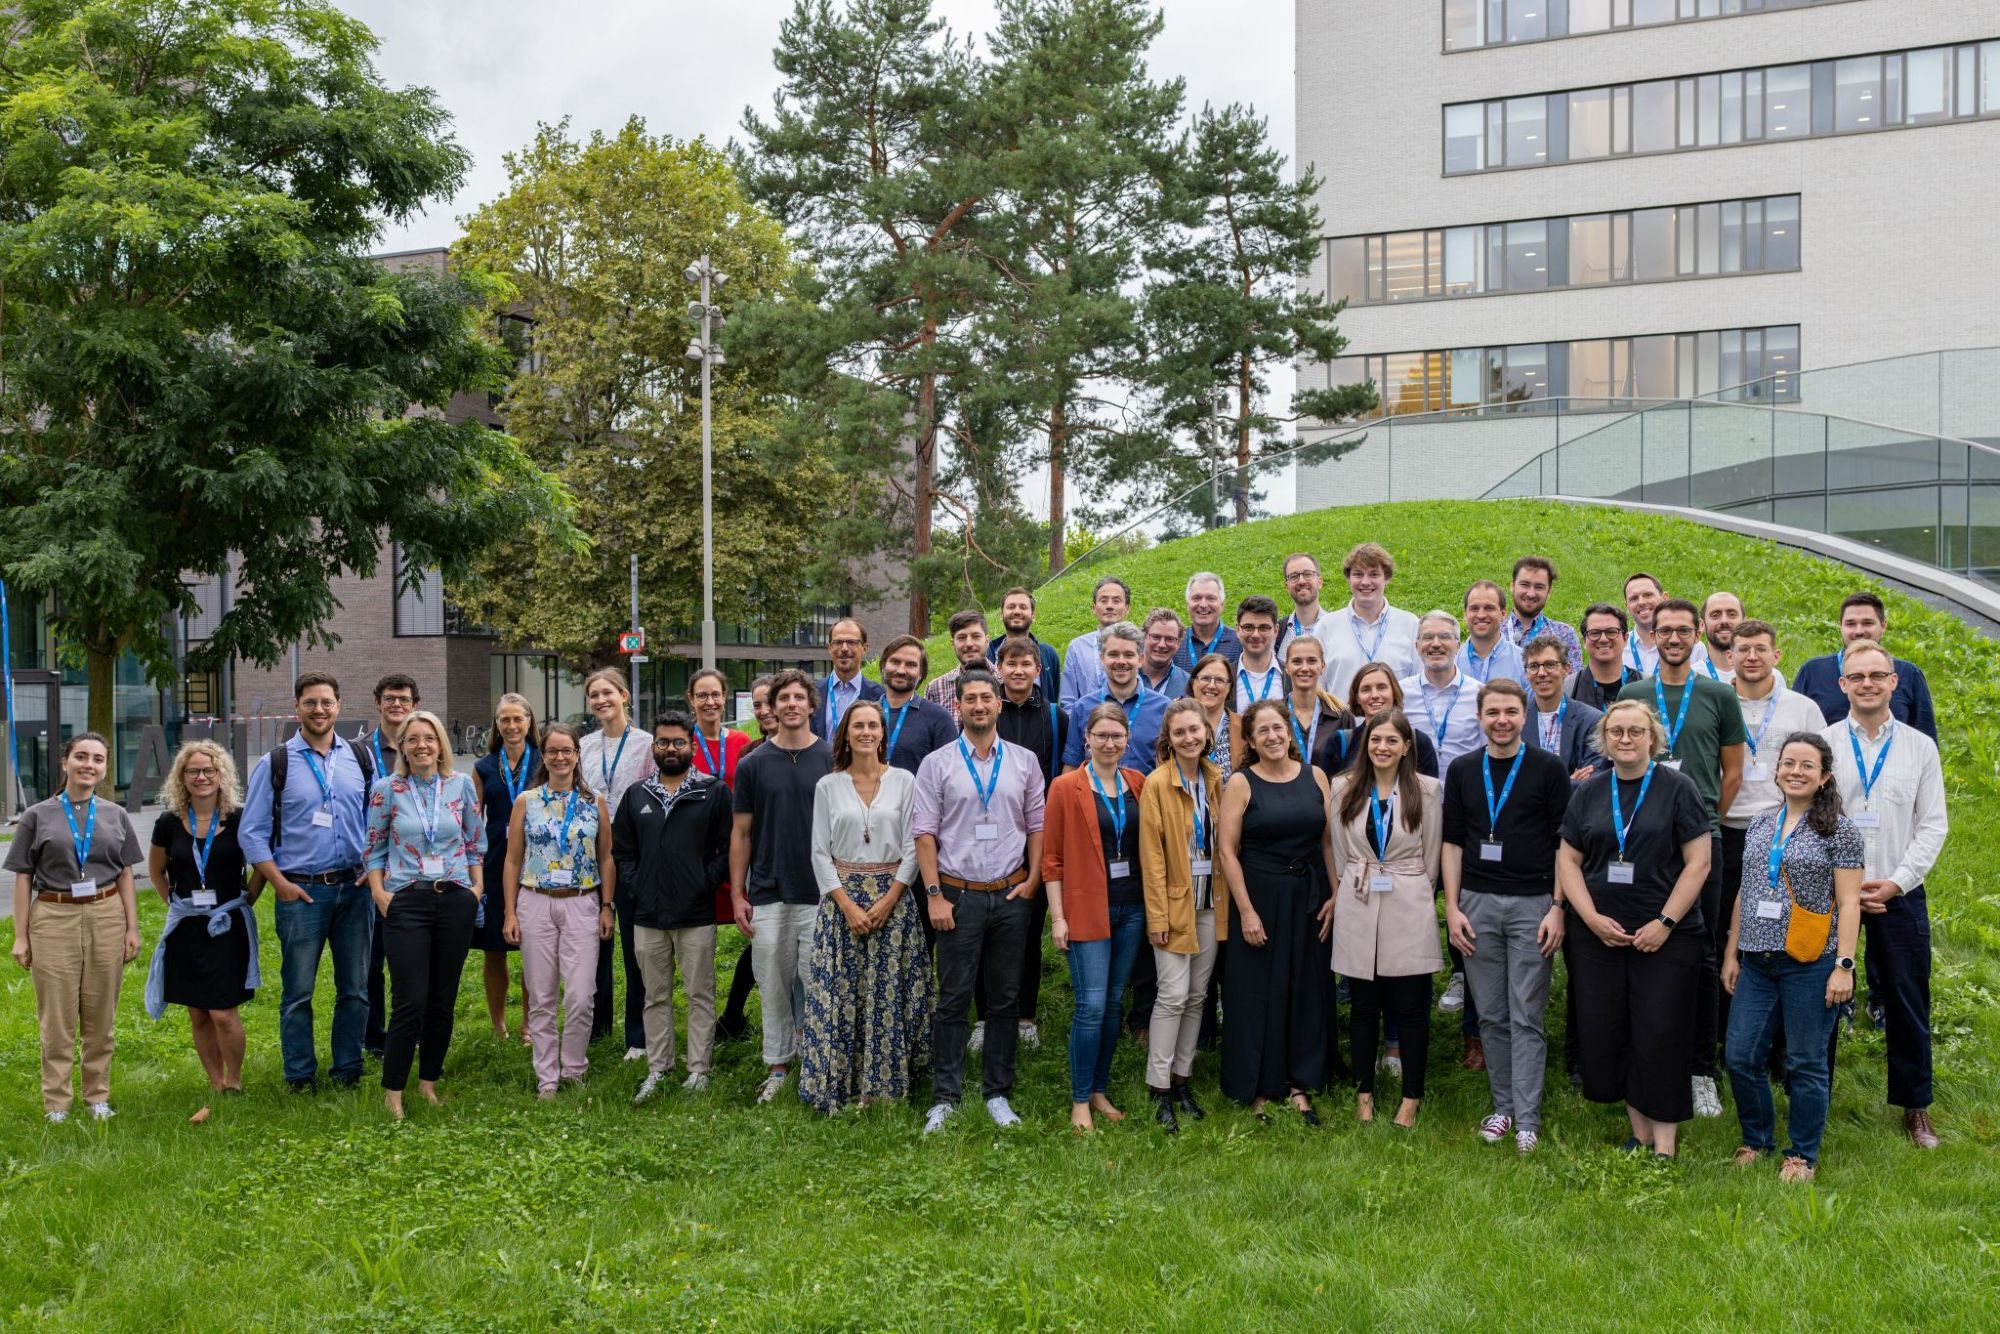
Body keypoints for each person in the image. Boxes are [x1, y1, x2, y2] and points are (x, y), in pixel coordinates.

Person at [1558, 699, 1712, 1157]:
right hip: (1599, 936)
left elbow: (1699, 862)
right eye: (1617, 731)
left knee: (1659, 1032)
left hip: (1665, 937)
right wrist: (1588, 918)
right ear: (1604, 739)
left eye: (1635, 731)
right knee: (1610, 1031)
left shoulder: (1678, 787)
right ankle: (1638, 1132)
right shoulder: (1588, 791)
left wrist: (1664, 922)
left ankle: (1664, 1144)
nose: (1626, 739)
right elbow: (1568, 859)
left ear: (1653, 739)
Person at [1619, 597, 1747, 1119]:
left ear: (1698, 633)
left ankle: (1700, 1071)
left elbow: (1732, 773)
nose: (1672, 638)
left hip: (1701, 842)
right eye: (1663, 629)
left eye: (1681, 630)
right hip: (1644, 843)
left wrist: (1699, 820)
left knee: (1701, 955)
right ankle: (1641, 1062)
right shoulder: (1634, 693)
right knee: (1638, 947)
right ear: (1651, 630)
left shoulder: (1719, 693)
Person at [1822, 640, 1949, 1148]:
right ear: (1843, 685)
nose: (1868, 683)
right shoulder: (1826, 743)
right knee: (1823, 996)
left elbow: (1933, 825)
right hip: (1834, 894)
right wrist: (1843, 884)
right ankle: (1818, 1094)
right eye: (1858, 676)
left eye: (1878, 675)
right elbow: (1817, 820)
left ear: (1895, 682)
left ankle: (1914, 1106)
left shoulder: (1921, 747)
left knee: (1907, 998)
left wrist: (1897, 880)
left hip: (1899, 890)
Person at [1722, 732, 1863, 1182]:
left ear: (1824, 777)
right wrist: (1731, 953)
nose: (1795, 772)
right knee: (1740, 1056)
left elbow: (1850, 903)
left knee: (1805, 1062)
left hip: (1812, 962)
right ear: (1778, 770)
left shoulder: (1840, 830)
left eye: (1807, 765)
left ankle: (1801, 1154)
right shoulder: (1762, 824)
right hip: (1758, 962)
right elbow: (1746, 891)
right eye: (1788, 763)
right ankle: (1756, 1138)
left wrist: (1844, 966)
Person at [913, 669, 1047, 1133]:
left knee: (1004, 1001)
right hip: (957, 895)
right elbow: (925, 835)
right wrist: (934, 896)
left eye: (986, 698)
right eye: (970, 699)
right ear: (959, 707)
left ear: (998, 705)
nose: (979, 706)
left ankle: (997, 1092)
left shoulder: (1026, 761)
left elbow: (1037, 826)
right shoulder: (938, 764)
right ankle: (945, 1097)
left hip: (1010, 894)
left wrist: (1031, 882)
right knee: (953, 999)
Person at [1441, 681, 1571, 1152]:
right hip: (1475, 903)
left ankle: (1529, 1118)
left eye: (1511, 712)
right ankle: (1503, 1108)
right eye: (1492, 711)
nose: (1501, 720)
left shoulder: (1548, 768)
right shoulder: (1461, 770)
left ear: (1524, 715)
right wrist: (1452, 908)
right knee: (1492, 1015)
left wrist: (1558, 908)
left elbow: (1564, 846)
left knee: (1526, 1012)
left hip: (1533, 905)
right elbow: (1452, 842)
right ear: (1479, 717)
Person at [239, 671, 376, 1092]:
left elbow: (374, 824)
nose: (319, 710)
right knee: (298, 991)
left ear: (339, 706)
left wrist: (372, 873)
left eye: (327, 702)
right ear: (296, 707)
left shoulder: (361, 758)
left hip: (354, 890)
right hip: (301, 892)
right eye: (311, 702)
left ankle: (348, 1068)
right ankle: (300, 1074)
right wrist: (279, 884)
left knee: (355, 988)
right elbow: (252, 832)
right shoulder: (276, 762)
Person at [802, 700, 931, 1113]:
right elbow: (819, 852)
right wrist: (846, 905)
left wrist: (891, 898)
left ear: (882, 732)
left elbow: (914, 846)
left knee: (887, 992)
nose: (866, 732)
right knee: (843, 992)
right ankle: (839, 1082)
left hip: (893, 900)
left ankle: (883, 1086)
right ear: (846, 733)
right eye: (858, 725)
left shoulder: (905, 781)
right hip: (843, 902)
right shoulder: (828, 786)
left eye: (873, 725)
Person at [9, 733, 143, 1123]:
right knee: (57, 1014)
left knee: (101, 1011)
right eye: (81, 756)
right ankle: (56, 1102)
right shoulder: (38, 815)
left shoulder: (115, 815)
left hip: (106, 913)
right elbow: (22, 877)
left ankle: (97, 1096)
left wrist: (131, 928)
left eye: (98, 759)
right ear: (65, 762)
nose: (89, 764)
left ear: (105, 767)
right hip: (54, 915)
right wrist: (21, 935)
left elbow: (125, 874)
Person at [363, 710, 486, 1119]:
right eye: (413, 739)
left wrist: (476, 889)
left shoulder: (461, 786)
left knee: (442, 999)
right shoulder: (387, 789)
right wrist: (381, 894)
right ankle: (393, 1091)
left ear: (440, 745)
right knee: (409, 1001)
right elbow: (374, 848)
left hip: (454, 900)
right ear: (402, 746)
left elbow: (473, 843)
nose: (422, 746)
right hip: (407, 901)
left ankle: (428, 1082)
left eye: (429, 738)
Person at [1216, 698, 1335, 1122]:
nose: (1272, 736)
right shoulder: (1242, 784)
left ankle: (1301, 1083)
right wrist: (1245, 911)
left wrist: (1335, 895)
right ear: (1249, 739)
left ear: (1290, 731)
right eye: (1261, 730)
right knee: (1257, 992)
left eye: (1278, 727)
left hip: (1309, 895)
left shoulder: (1316, 776)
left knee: (1306, 987)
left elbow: (1327, 842)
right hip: (1260, 897)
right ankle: (1261, 1087)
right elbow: (1228, 852)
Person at [1330, 709, 1442, 1128]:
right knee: (1362, 1006)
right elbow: (1341, 853)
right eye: (1376, 739)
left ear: (1406, 747)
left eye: (1392, 740)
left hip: (1408, 899)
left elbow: (1430, 858)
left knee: (1411, 1007)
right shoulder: (1343, 788)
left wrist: (1412, 889)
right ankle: (1364, 1094)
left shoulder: (1428, 791)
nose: (1382, 747)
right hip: (1358, 899)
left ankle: (1411, 1095)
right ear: (1366, 743)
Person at [1718, 620, 1827, 1046]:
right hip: (1728, 830)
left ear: (1776, 656)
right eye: (1742, 649)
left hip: (1787, 835)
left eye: (1760, 649)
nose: (1751, 657)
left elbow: (1819, 769)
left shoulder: (1802, 708)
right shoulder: (1716, 699)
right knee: (1729, 933)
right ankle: (1729, 1036)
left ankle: (1781, 1041)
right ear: (1729, 657)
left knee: (1784, 936)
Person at [1044, 703, 1150, 1132]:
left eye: (1117, 736)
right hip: (1087, 908)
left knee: (1110, 1004)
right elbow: (1052, 859)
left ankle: (1101, 1089)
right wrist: (1057, 918)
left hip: (1132, 909)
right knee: (1089, 1006)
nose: (1109, 743)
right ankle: (1080, 1099)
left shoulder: (1138, 783)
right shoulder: (1065, 787)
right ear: (1086, 738)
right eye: (1101, 735)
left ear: (1127, 740)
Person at [731, 670, 835, 1104]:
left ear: (812, 706)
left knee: (817, 982)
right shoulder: (752, 764)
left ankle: (817, 1062)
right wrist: (738, 894)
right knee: (772, 981)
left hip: (821, 892)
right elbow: (741, 833)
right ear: (771, 708)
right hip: (769, 891)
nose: (791, 704)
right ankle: (777, 1065)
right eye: (783, 698)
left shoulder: (832, 758)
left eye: (799, 697)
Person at [618, 711, 732, 1105]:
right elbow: (623, 852)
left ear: (692, 745)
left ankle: (699, 1069)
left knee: (700, 993)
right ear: (654, 747)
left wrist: (703, 882)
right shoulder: (637, 795)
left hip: (696, 912)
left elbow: (727, 848)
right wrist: (638, 887)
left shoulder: (712, 791)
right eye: (663, 742)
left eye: (678, 742)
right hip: (648, 913)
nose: (670, 749)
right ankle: (659, 1067)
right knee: (655, 994)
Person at [144, 740, 260, 1124]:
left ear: (221, 774)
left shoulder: (240, 819)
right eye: (193, 771)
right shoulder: (168, 823)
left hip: (227, 925)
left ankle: (235, 1079)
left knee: (223, 1012)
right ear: (182, 777)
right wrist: (174, 906)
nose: (201, 777)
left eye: (208, 770)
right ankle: (214, 1082)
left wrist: (248, 900)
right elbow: (157, 872)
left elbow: (261, 865)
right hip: (187, 928)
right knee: (198, 1013)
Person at [503, 721, 613, 1099]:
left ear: (577, 755)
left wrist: (607, 906)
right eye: (553, 751)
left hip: (581, 901)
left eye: (567, 750)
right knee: (541, 994)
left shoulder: (594, 801)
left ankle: (575, 1067)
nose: (560, 757)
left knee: (581, 994)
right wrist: (510, 913)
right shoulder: (526, 801)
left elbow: (606, 857)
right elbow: (513, 861)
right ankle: (547, 1076)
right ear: (544, 757)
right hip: (535, 903)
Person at [1139, 698, 1227, 1133]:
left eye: (1195, 730)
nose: (1189, 738)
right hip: (1174, 904)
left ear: (1206, 733)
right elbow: (1152, 857)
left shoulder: (1215, 779)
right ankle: (1158, 1086)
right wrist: (1157, 916)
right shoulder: (1157, 784)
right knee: (1171, 995)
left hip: (1211, 901)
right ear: (1169, 740)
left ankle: (1182, 1080)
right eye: (1180, 733)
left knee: (1197, 996)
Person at [1400, 610, 1485, 1040]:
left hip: (1464, 814)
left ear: (1458, 643)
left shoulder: (1478, 694)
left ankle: (1462, 973)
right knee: (1415, 895)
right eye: (1427, 638)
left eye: (1445, 638)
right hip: (1413, 816)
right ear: (1417, 646)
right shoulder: (1400, 694)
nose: (1435, 644)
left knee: (1463, 898)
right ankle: (1410, 970)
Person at [582, 667, 658, 1059]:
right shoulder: (585, 746)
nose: (601, 700)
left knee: (632, 946)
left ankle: (637, 1035)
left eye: (607, 693)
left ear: (624, 696)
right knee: (594, 944)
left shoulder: (646, 745)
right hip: (589, 856)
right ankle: (596, 1028)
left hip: (630, 854)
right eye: (594, 695)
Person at [471, 693, 536, 1041]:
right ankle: (498, 1025)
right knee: (495, 947)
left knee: (532, 948)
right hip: (495, 860)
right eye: (504, 720)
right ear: (496, 724)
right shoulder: (484, 766)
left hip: (536, 861)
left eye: (517, 719)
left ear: (529, 722)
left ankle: (529, 1023)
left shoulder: (543, 761)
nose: (511, 726)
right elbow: (473, 817)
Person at [360, 673, 418, 1059]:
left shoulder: (424, 747)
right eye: (389, 698)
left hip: (413, 873)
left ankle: (408, 1031)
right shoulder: (357, 752)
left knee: (408, 959)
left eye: (404, 699)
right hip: (372, 872)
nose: (396, 704)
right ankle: (374, 1038)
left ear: (415, 704)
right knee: (370, 960)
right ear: (377, 702)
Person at [1791, 592, 1939, 740]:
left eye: (1867, 623)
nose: (1859, 631)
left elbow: (1925, 738)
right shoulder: (1812, 672)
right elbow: (1793, 732)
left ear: (1883, 625)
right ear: (1840, 626)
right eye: (1851, 624)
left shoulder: (1909, 674)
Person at [716, 674, 773, 1044]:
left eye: (770, 701)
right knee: (764, 938)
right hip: (760, 859)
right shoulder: (750, 752)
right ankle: (733, 1015)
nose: (765, 710)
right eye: (757, 705)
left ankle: (734, 1015)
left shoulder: (816, 748)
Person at [1060, 621, 1169, 774]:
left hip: (1147, 795)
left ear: (1141, 659)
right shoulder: (1083, 707)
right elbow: (1072, 764)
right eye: (1113, 654)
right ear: (1102, 658)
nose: (1121, 661)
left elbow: (1170, 768)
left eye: (1129, 655)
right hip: (1095, 796)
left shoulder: (1164, 708)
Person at [1323, 541, 1421, 692]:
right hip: (1342, 716)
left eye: (1374, 574)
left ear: (1386, 578)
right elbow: (1317, 686)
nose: (1365, 582)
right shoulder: (1327, 626)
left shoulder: (1411, 625)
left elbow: (1419, 682)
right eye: (1358, 574)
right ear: (1349, 578)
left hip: (1395, 716)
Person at [1330, 662, 1440, 779]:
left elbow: (1430, 793)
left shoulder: (1419, 743)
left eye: (1382, 687)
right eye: (1366, 689)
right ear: (1357, 697)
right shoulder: (1340, 742)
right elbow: (1328, 794)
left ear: (1394, 692)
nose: (1375, 695)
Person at [1522, 635, 1604, 782]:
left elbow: (1592, 781)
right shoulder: (1516, 721)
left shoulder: (1592, 721)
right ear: (1527, 674)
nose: (1541, 673)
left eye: (1549, 664)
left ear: (1566, 669)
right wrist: (1569, 782)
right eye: (1533, 666)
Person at [877, 635, 960, 773]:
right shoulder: (862, 714)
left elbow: (951, 773)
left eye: (911, 665)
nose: (901, 670)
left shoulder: (938, 718)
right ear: (883, 666)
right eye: (895, 662)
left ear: (921, 673)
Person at [1281, 634, 1355, 778]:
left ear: (1322, 666)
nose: (1304, 668)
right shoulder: (1274, 715)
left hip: (1329, 798)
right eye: (1296, 661)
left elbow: (1352, 770)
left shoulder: (1342, 717)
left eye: (1312, 661)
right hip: (1283, 798)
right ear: (1287, 668)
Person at [996, 634, 1065, 785]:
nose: (1018, 671)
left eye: (1026, 664)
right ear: (999, 668)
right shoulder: (988, 713)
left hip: (1043, 804)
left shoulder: (1056, 716)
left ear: (1038, 670)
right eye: (1012, 664)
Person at [1622, 573, 1713, 679]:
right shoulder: (1619, 647)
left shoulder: (1694, 647)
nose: (1641, 602)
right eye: (1633, 598)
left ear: (1665, 597)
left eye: (1648, 595)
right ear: (1626, 606)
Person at [1060, 576, 1133, 708]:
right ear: (1094, 608)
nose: (1109, 606)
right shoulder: (1077, 647)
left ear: (1127, 608)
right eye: (1103, 600)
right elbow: (1068, 702)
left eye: (1116, 601)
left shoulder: (1139, 645)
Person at [1503, 556, 1581, 670]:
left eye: (1539, 587)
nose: (1531, 593)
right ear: (1512, 585)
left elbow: (1574, 685)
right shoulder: (1494, 633)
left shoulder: (1565, 634)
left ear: (1549, 592)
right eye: (1525, 585)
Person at [984, 586, 1062, 696]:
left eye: (1023, 607)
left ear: (1033, 616)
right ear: (1001, 615)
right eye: (1011, 607)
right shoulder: (988, 654)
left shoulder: (1049, 654)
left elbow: (1053, 695)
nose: (1017, 611)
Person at [1568, 603, 1643, 712]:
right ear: (1584, 641)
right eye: (1594, 633)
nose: (1603, 639)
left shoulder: (1647, 687)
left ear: (1625, 638)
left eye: (1611, 632)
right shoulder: (1567, 690)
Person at [820, 617, 886, 736]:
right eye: (838, 642)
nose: (844, 648)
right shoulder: (812, 692)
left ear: (864, 648)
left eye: (851, 642)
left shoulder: (880, 696)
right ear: (830, 648)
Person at [688, 667, 753, 786]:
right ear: (691, 699)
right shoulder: (684, 743)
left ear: (724, 696)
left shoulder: (742, 742)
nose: (710, 702)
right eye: (702, 695)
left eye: (715, 694)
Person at [925, 609, 990, 720]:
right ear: (952, 644)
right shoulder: (935, 688)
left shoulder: (1004, 682)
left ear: (987, 640)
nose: (969, 644)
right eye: (961, 638)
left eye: (976, 636)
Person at [1459, 581, 1528, 686]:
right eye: (1474, 609)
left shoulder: (1524, 662)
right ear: (1465, 615)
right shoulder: (1451, 661)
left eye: (1489, 608)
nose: (1481, 615)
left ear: (1503, 614)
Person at [1176, 571, 1242, 672]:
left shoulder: (1239, 643)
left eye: (1211, 598)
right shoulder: (1175, 642)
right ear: (1188, 604)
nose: (1203, 605)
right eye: (1196, 598)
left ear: (1222, 605)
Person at [1229, 596, 1286, 713]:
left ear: (1275, 631)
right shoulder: (1224, 676)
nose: (1255, 635)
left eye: (1263, 628)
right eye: (1248, 627)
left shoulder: (1291, 677)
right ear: (1237, 630)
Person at [1187, 652, 1237, 781]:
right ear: (1193, 682)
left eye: (1220, 680)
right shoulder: (1176, 725)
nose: (1211, 685)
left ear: (1229, 687)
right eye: (1205, 678)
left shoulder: (1243, 728)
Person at [1276, 552, 1331, 655]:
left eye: (1307, 574)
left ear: (1319, 582)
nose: (1301, 581)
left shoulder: (1336, 627)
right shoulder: (1277, 633)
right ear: (1287, 587)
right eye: (1294, 576)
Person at [1138, 608, 1191, 697]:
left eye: (1170, 639)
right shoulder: (1125, 674)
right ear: (1144, 637)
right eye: (1155, 637)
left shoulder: (1189, 685)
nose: (1162, 645)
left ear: (1178, 644)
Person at [1700, 592, 1744, 683]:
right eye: (1715, 615)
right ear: (1702, 625)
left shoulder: (1769, 676)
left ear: (1744, 622)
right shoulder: (1689, 677)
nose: (1724, 621)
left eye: (1732, 615)